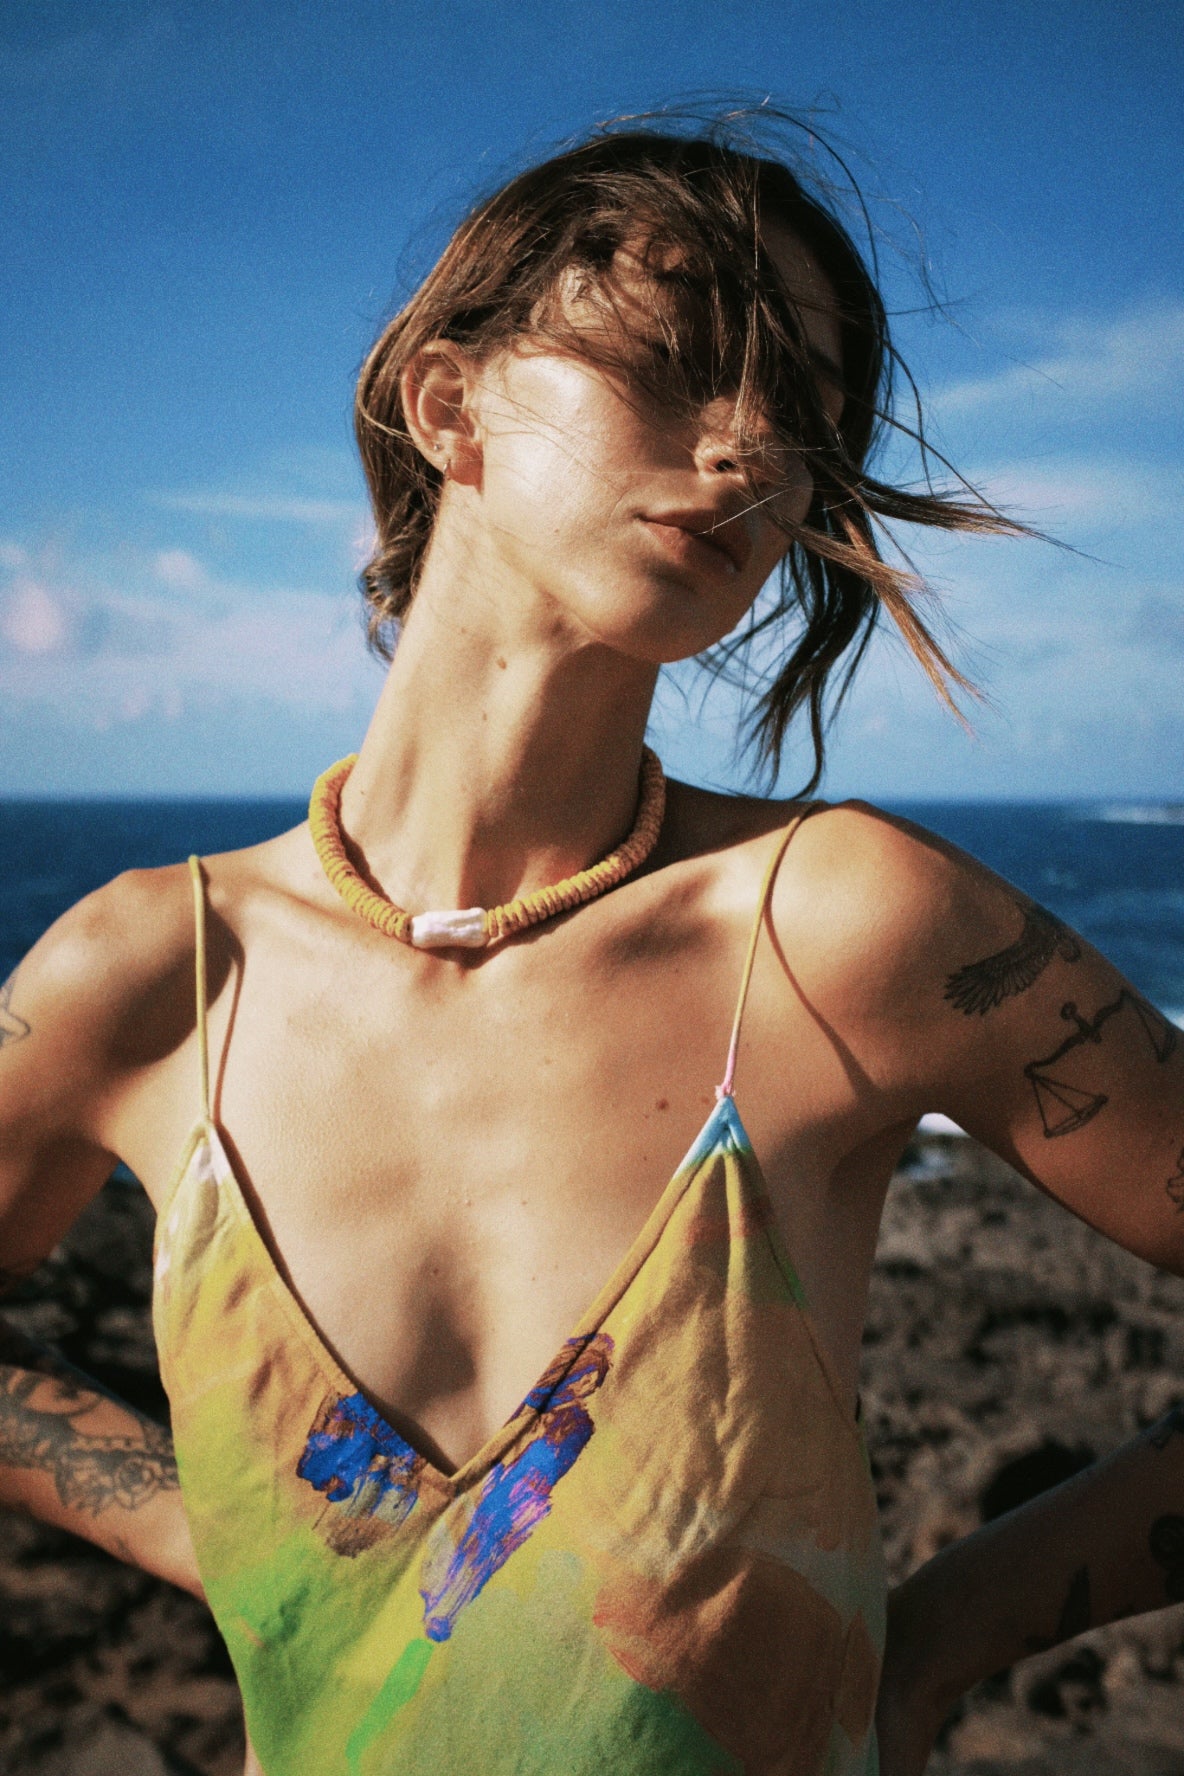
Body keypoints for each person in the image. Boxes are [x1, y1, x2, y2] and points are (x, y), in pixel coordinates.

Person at [1, 119, 1182, 1776]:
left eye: (811, 422)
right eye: (685, 354)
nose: (758, 446)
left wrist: (941, 1644)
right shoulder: (153, 976)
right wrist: (214, 1536)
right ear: (448, 403)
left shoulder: (841, 931)